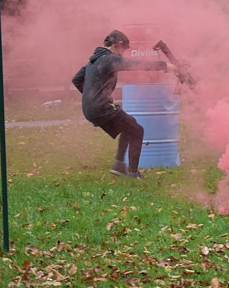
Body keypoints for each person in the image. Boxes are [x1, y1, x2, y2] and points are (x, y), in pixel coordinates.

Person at [72, 29, 173, 179]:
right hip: (100, 108)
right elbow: (135, 64)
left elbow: (77, 79)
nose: (123, 54)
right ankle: (133, 173)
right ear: (116, 45)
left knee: (129, 125)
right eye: (123, 50)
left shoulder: (93, 61)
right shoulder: (109, 59)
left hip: (90, 110)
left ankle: (119, 165)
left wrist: (92, 97)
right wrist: (165, 66)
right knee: (137, 130)